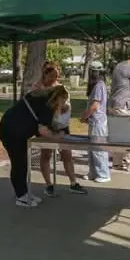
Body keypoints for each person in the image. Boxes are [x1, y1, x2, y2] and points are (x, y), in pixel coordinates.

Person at [0, 85, 73, 207]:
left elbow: (43, 124)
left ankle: (24, 193)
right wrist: (57, 136)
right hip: (11, 131)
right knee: (19, 163)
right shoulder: (47, 105)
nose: (64, 103)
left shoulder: (41, 98)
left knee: (23, 163)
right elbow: (43, 130)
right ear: (59, 98)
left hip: (13, 128)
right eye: (64, 100)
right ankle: (21, 196)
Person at [32, 62, 86, 196]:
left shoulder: (61, 89)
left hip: (62, 126)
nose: (52, 77)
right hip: (46, 126)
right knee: (46, 155)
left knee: (67, 154)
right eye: (49, 72)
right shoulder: (37, 88)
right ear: (44, 73)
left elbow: (66, 107)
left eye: (55, 74)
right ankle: (49, 185)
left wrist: (61, 107)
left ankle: (73, 183)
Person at [81, 61, 110, 182]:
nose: (94, 73)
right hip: (94, 122)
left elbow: (95, 105)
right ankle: (93, 173)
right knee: (91, 149)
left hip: (98, 122)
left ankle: (103, 174)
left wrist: (85, 116)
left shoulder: (99, 85)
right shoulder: (96, 85)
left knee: (99, 149)